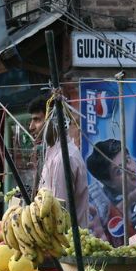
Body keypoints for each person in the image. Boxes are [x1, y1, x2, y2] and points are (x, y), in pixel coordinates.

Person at [28, 95, 89, 227]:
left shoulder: (62, 158)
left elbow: (58, 215)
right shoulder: (52, 152)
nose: (31, 127)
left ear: (54, 121)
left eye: (37, 120)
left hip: (66, 241)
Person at [86, 138, 136, 245]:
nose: (130, 169)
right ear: (109, 183)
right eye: (119, 171)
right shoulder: (101, 210)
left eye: (128, 160)